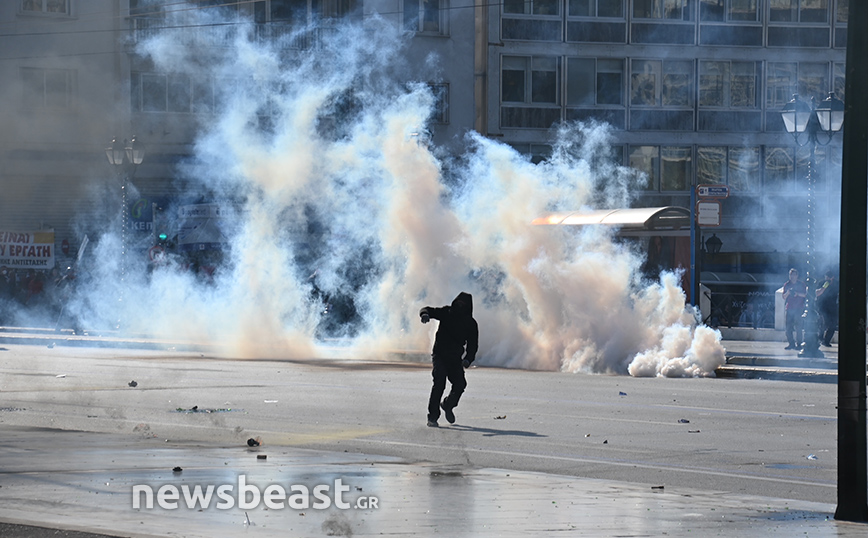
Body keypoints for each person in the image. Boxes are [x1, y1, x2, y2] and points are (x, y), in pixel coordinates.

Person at [419, 292, 478, 427]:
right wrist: (424, 315)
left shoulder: (470, 323)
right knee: (439, 383)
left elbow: (473, 345)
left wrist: (468, 359)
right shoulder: (447, 312)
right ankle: (432, 417)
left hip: (455, 359)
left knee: (460, 384)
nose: (459, 306)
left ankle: (447, 405)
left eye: (463, 305)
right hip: (439, 355)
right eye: (458, 303)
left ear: (468, 307)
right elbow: (427, 309)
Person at [782, 268, 807, 350]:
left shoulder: (801, 284)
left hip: (799, 308)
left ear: (797, 276)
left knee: (798, 327)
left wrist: (797, 294)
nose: (792, 277)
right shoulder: (787, 284)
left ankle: (799, 344)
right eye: (791, 275)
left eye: (794, 275)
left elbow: (805, 295)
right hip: (789, 308)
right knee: (788, 328)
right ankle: (791, 343)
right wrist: (788, 292)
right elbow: (783, 297)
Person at [815, 269, 838, 347]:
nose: (828, 278)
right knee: (823, 323)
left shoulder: (836, 284)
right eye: (826, 277)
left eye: (830, 277)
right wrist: (824, 286)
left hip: (833, 307)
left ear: (833, 277)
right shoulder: (821, 283)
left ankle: (826, 341)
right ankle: (819, 339)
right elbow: (817, 293)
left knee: (833, 325)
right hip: (822, 306)